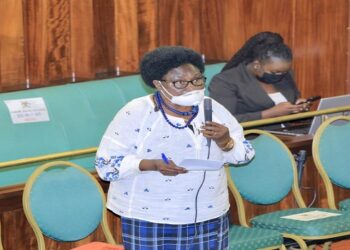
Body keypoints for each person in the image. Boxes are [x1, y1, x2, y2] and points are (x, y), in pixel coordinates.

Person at [95, 46, 255, 250]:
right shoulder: (137, 113)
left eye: (197, 80)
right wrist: (150, 164)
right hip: (151, 216)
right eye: (180, 83)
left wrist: (226, 141)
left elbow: (246, 155)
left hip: (209, 213)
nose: (192, 88)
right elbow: (106, 165)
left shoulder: (213, 108)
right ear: (158, 84)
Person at [209, 31, 311, 123]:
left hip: (290, 132)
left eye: (284, 71)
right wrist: (269, 113)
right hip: (252, 136)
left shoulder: (286, 75)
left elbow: (292, 102)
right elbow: (222, 121)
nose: (280, 75)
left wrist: (298, 107)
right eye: (275, 72)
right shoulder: (225, 80)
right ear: (257, 65)